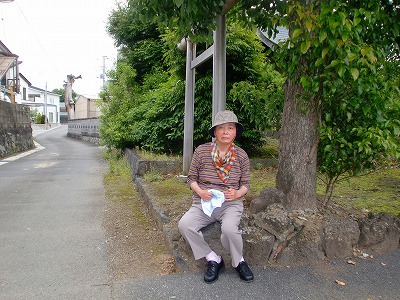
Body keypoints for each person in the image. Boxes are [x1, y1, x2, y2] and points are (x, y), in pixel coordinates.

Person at [178, 110, 254, 283]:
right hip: (204, 202)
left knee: (228, 229)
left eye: (230, 128)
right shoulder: (202, 151)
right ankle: (213, 259)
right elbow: (191, 178)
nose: (226, 132)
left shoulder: (241, 155)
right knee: (185, 225)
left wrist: (237, 193)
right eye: (221, 128)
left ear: (236, 132)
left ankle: (239, 261)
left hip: (230, 203)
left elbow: (246, 185)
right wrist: (200, 192)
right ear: (215, 132)